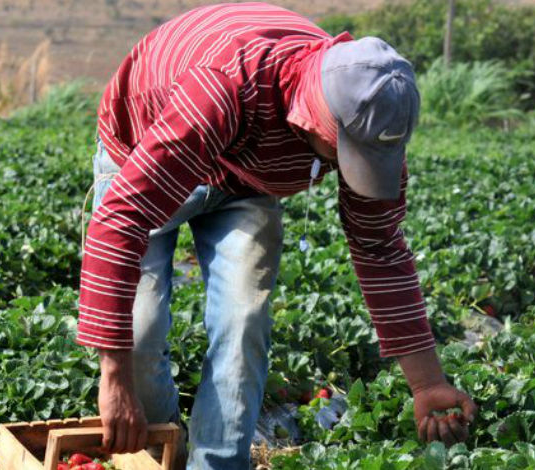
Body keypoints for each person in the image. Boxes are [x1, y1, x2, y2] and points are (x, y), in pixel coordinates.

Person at [77, 4, 476, 469]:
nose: (348, 169)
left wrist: (427, 383)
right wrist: (115, 378)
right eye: (343, 153)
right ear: (313, 116)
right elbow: (120, 221)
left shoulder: (369, 117)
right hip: (145, 147)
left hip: (245, 180)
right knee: (139, 331)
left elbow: (379, 246)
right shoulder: (222, 86)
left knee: (244, 319)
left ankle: (218, 464)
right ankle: (163, 453)